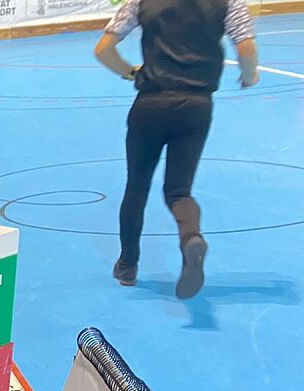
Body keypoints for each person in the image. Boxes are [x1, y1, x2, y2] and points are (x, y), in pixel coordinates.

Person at [94, 0, 258, 298]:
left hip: (150, 104)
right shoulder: (229, 2)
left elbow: (103, 49)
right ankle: (191, 237)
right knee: (179, 191)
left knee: (136, 187)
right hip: (196, 106)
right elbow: (246, 50)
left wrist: (131, 73)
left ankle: (127, 266)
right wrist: (250, 75)